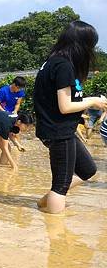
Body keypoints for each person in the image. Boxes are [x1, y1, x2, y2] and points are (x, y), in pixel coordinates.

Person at [34, 21, 107, 214]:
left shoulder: (56, 62)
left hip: (60, 130)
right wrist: (93, 101)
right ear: (81, 45)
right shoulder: (62, 65)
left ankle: (45, 202)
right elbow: (65, 107)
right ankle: (57, 237)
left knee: (87, 170)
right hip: (58, 131)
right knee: (61, 184)